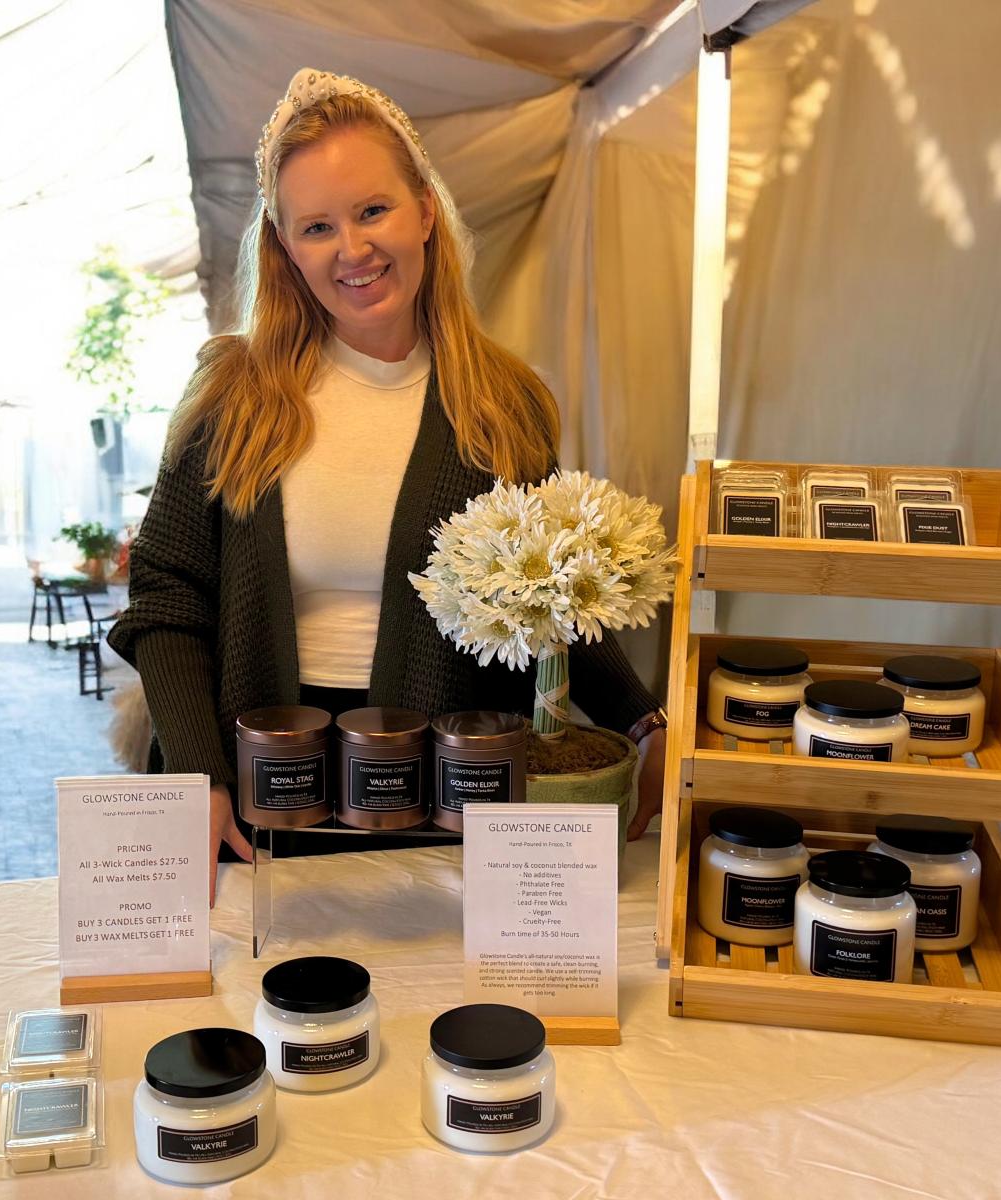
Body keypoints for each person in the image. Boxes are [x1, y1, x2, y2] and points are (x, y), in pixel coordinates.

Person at [108, 70, 668, 906]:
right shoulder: (236, 394)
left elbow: (550, 595)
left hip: (451, 793)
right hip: (259, 798)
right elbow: (166, 598)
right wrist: (197, 773)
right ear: (284, 246)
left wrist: (643, 721)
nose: (353, 249)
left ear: (426, 211)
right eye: (317, 227)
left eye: (373, 210)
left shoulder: (502, 402)